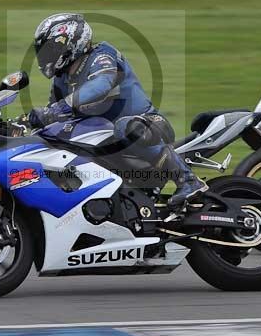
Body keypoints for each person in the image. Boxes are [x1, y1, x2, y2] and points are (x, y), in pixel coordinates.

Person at [27, 13, 207, 208]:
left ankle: (188, 180)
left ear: (72, 42)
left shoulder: (102, 56)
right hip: (105, 136)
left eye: (52, 49)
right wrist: (29, 123)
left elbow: (100, 85)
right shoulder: (61, 79)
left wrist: (60, 107)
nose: (46, 56)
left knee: (126, 127)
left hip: (148, 123)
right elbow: (51, 113)